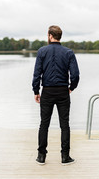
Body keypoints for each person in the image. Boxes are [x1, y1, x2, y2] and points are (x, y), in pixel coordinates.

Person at [32, 25, 80, 165]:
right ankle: (65, 157)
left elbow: (37, 74)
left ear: (49, 35)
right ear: (60, 36)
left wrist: (36, 91)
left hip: (47, 91)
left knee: (44, 124)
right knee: (64, 125)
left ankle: (41, 156)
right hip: (63, 92)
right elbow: (75, 75)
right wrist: (71, 87)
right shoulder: (68, 52)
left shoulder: (42, 51)